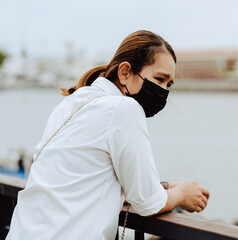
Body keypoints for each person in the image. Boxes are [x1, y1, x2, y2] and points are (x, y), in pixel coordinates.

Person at [6, 30, 209, 240]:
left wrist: (166, 186)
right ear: (125, 73)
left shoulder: (72, 102)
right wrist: (181, 195)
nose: (163, 91)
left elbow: (86, 177)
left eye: (168, 85)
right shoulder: (124, 108)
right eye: (159, 79)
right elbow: (147, 202)